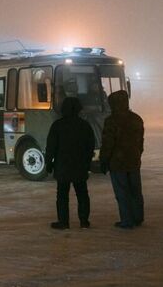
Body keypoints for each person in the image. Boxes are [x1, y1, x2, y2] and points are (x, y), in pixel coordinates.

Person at [45, 97, 96, 230]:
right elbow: (91, 145)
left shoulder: (57, 125)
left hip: (62, 166)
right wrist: (87, 161)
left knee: (62, 195)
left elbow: (50, 147)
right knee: (82, 193)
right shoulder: (85, 125)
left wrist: (48, 164)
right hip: (80, 166)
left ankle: (63, 222)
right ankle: (84, 221)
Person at [100, 90, 145, 229]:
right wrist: (137, 154)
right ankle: (138, 217)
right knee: (135, 191)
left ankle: (127, 220)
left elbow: (108, 144)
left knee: (122, 192)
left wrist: (104, 161)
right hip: (134, 161)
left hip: (117, 163)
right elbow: (140, 142)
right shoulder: (136, 119)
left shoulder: (111, 121)